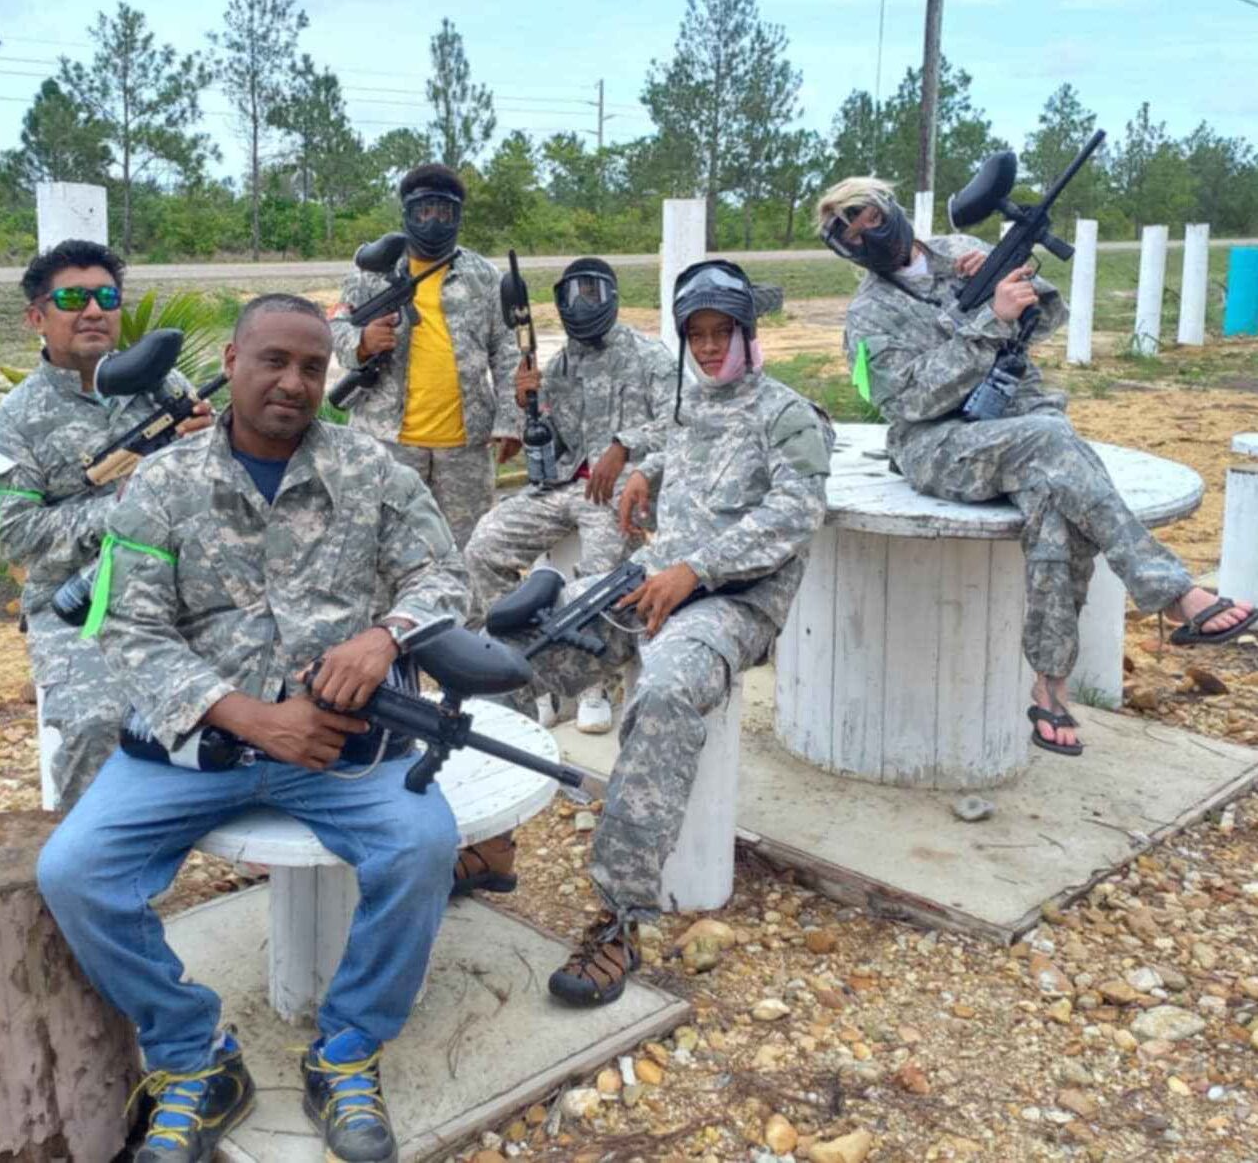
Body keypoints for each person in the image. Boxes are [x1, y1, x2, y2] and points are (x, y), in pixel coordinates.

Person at [37, 293, 469, 1163]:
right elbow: (131, 628)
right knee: (75, 873)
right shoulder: (162, 483)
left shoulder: (370, 469)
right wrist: (251, 719)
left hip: (341, 744)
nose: (294, 381)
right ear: (232, 363)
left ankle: (347, 1048)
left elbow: (446, 575)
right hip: (199, 740)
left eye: (312, 366)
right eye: (273, 360)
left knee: (422, 847)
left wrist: (384, 638)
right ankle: (196, 1057)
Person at [816, 176, 1257, 756]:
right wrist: (986, 321)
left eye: (869, 219)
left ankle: (1050, 688)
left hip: (1020, 418)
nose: (866, 237)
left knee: (1055, 511)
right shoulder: (868, 312)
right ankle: (1170, 589)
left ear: (889, 210)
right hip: (939, 445)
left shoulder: (955, 252)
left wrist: (1012, 287)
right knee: (1050, 444)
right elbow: (906, 402)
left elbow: (1046, 318)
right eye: (849, 236)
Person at [505, 260, 831, 1007]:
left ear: (748, 332)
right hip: (653, 577)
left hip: (734, 601)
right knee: (522, 664)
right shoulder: (692, 403)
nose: (712, 348)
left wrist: (696, 570)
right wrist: (646, 469)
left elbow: (793, 515)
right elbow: (678, 445)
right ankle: (488, 847)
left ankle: (621, 917)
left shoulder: (789, 414)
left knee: (665, 691)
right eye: (698, 335)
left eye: (724, 333)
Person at [0, 238, 211, 808]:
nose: (94, 310)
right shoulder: (16, 421)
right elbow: (17, 536)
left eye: (107, 296)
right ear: (37, 317)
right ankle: (82, 869)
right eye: (73, 297)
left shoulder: (164, 390)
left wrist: (212, 445)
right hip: (77, 604)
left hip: (181, 588)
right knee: (96, 722)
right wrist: (128, 504)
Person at [465, 257, 676, 735]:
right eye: (571, 295)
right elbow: (548, 441)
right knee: (484, 545)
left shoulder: (650, 358)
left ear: (613, 296)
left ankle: (590, 686)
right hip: (559, 485)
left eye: (592, 293)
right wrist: (527, 405)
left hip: (615, 495)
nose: (582, 305)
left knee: (598, 574)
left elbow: (679, 423)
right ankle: (527, 673)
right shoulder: (559, 364)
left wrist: (624, 446)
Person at [329, 164, 520, 549]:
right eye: (423, 211)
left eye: (444, 211)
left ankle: (466, 614)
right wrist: (363, 341)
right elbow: (335, 330)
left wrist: (510, 421)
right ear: (407, 213)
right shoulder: (371, 274)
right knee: (386, 548)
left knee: (467, 551)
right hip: (387, 441)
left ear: (457, 216)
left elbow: (506, 350)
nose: (434, 221)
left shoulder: (484, 276)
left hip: (464, 445)